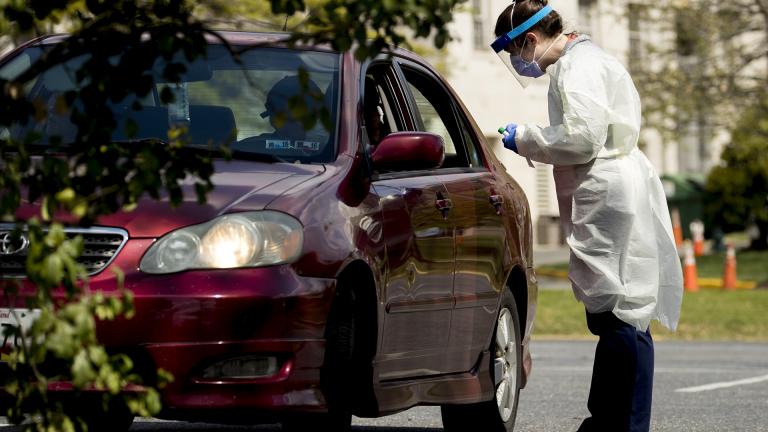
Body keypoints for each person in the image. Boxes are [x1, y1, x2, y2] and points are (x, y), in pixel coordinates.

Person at [491, 1, 683, 431]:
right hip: (613, 186)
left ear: (531, 39)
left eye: (517, 53)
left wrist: (526, 138)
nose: (521, 64)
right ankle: (614, 422)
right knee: (622, 313)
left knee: (617, 313)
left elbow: (581, 138)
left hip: (609, 191)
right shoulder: (585, 60)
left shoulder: (579, 68)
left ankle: (615, 424)